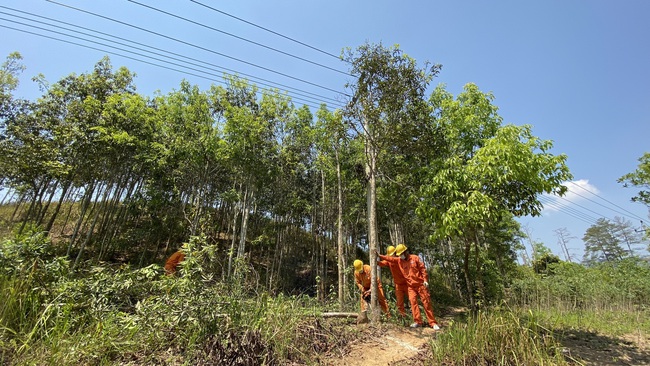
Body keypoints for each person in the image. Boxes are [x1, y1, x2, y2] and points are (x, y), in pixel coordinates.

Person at [378, 244, 440, 329]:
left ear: (406, 252)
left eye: (401, 254)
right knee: (413, 302)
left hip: (420, 284)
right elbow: (389, 259)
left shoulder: (415, 258)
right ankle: (418, 321)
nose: (401, 256)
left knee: (426, 303)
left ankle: (432, 322)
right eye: (399, 254)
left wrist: (425, 280)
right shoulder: (399, 260)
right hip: (410, 286)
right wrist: (378, 257)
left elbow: (423, 269)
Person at [378, 245, 408, 318]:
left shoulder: (399, 259)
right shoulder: (389, 261)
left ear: (395, 253)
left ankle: (416, 318)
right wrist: (376, 262)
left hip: (406, 283)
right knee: (399, 302)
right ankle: (402, 317)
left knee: (412, 300)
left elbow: (390, 259)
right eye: (390, 255)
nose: (392, 256)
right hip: (398, 284)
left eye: (392, 255)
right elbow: (382, 263)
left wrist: (380, 256)